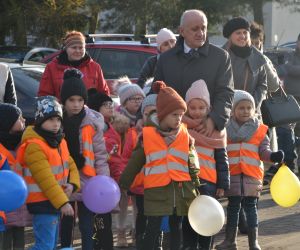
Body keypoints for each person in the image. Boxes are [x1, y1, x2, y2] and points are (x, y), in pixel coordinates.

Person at [119, 81, 198, 250]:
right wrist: (124, 184)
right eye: (174, 115)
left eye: (180, 115)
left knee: (176, 228)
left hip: (180, 189)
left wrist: (197, 184)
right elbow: (135, 162)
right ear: (162, 115)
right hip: (156, 191)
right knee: (152, 228)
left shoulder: (185, 135)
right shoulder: (147, 136)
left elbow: (191, 161)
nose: (179, 119)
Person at [215, 90, 284, 250]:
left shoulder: (260, 130)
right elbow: (219, 152)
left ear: (254, 110)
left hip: (252, 176)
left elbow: (263, 152)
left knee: (251, 209)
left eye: (249, 108)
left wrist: (273, 156)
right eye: (241, 108)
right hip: (232, 176)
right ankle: (230, 241)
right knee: (233, 209)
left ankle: (254, 243)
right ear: (232, 110)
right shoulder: (224, 130)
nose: (245, 111)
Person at [154, 9, 234, 136]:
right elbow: (157, 91)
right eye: (195, 29)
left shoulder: (220, 57)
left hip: (208, 132)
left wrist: (213, 120)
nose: (200, 33)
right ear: (181, 31)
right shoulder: (166, 59)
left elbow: (225, 93)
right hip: (174, 131)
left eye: (203, 28)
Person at [16, 95, 80, 250]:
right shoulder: (34, 146)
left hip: (54, 202)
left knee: (48, 245)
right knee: (44, 246)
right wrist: (63, 203)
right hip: (43, 203)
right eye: (50, 119)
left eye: (58, 120)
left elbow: (71, 164)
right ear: (39, 120)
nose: (55, 124)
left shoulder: (59, 141)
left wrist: (73, 184)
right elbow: (45, 178)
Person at [59, 69, 110, 250]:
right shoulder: (57, 123)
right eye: (71, 100)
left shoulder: (92, 122)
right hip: (65, 182)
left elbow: (100, 155)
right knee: (65, 226)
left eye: (80, 100)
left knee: (87, 227)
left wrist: (103, 180)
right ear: (63, 101)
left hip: (89, 183)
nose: (76, 104)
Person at [181, 79, 229, 250]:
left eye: (201, 108)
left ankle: (206, 246)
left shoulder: (216, 131)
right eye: (192, 108)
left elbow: (222, 160)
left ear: (208, 109)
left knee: (208, 217)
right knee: (189, 217)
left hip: (210, 182)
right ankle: (189, 246)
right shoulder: (182, 129)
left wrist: (223, 184)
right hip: (187, 182)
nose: (196, 112)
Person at [87, 88, 124, 250]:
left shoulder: (112, 130)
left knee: (104, 224)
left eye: (111, 103)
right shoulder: (92, 130)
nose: (110, 107)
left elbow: (117, 160)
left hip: (109, 185)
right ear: (95, 108)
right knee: (94, 225)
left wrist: (118, 178)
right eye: (105, 104)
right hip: (93, 184)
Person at [114, 76, 145, 247]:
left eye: (141, 98)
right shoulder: (119, 123)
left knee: (139, 206)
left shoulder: (145, 121)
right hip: (123, 171)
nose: (138, 102)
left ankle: (136, 230)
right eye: (134, 99)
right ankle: (120, 232)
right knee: (123, 203)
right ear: (124, 102)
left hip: (140, 172)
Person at [38, 30, 110, 99]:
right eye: (74, 47)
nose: (78, 51)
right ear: (66, 48)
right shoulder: (52, 67)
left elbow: (104, 94)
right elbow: (44, 95)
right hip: (62, 111)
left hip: (90, 111)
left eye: (81, 47)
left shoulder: (95, 67)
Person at [0, 103, 32, 250]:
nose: (24, 120)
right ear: (7, 122)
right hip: (3, 208)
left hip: (21, 203)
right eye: (19, 118)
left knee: (20, 240)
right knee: (4, 241)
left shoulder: (24, 143)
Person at [223, 17, 267, 114]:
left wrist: (252, 105)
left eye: (245, 32)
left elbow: (262, 85)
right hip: (227, 113)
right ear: (230, 36)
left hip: (252, 114)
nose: (242, 36)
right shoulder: (221, 56)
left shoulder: (258, 56)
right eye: (238, 33)